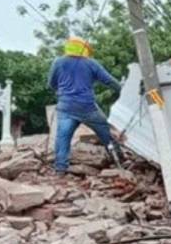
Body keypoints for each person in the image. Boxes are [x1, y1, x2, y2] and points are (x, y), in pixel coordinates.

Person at [48, 37, 124, 174]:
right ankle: (119, 159)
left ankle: (60, 170)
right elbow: (109, 81)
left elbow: (51, 84)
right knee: (105, 132)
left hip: (65, 107)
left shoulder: (58, 63)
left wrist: (62, 91)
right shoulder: (91, 64)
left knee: (62, 138)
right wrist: (124, 91)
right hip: (87, 107)